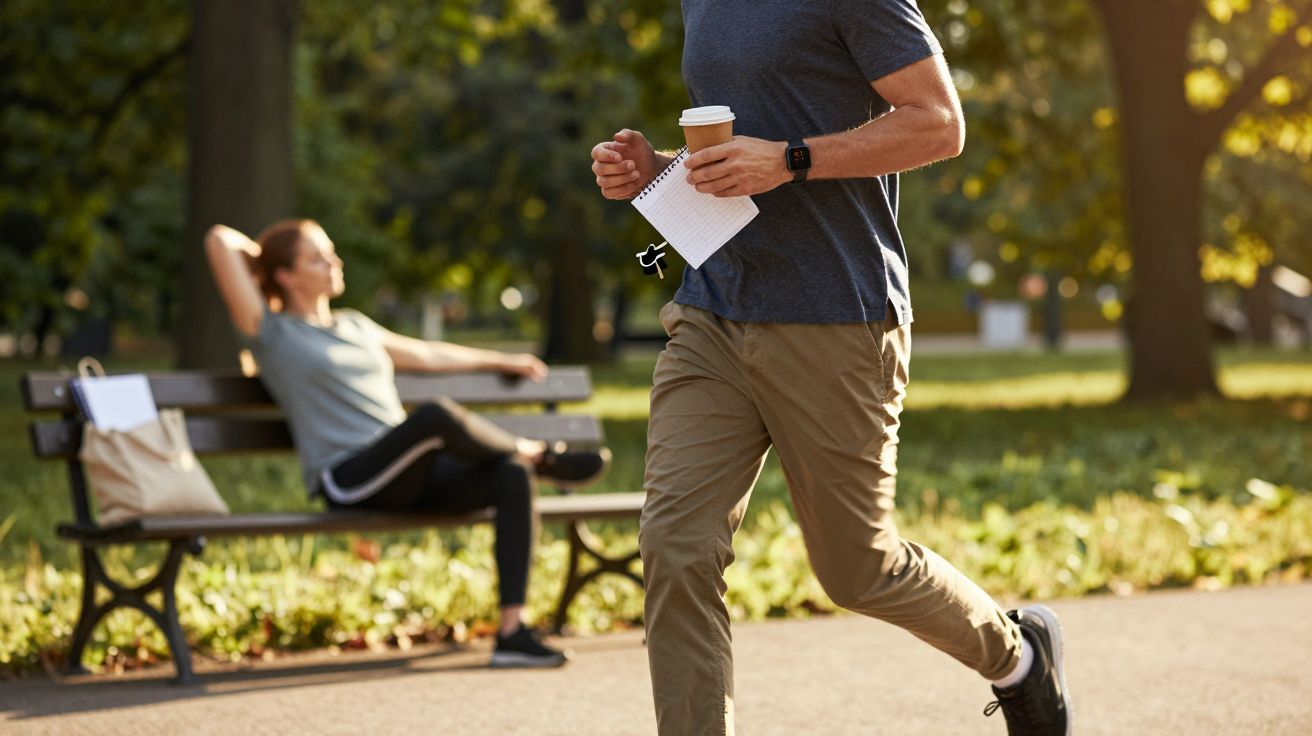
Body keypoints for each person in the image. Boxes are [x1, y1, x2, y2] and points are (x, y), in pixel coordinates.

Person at [589, 1, 1071, 734]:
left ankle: (1018, 656)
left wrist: (790, 160)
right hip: (714, 307)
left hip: (835, 315)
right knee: (674, 545)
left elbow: (940, 122)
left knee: (858, 570)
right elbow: (740, 141)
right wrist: (661, 171)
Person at [205, 219, 612, 669]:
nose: (334, 262)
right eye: (317, 257)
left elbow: (428, 354)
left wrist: (503, 360)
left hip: (408, 471)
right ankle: (539, 454)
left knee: (510, 474)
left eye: (331, 251)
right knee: (436, 417)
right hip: (351, 478)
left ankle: (513, 632)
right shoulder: (272, 333)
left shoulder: (355, 325)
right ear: (285, 274)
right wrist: (262, 261)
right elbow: (219, 239)